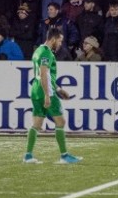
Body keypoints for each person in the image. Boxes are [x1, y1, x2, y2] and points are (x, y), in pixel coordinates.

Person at [23, 28, 82, 164]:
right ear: (53, 39)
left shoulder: (38, 50)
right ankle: (64, 156)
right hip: (45, 92)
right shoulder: (47, 53)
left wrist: (59, 89)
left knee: (37, 124)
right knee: (60, 122)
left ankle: (28, 155)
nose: (60, 44)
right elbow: (44, 74)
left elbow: (46, 75)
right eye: (60, 41)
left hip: (35, 90)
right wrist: (48, 96)